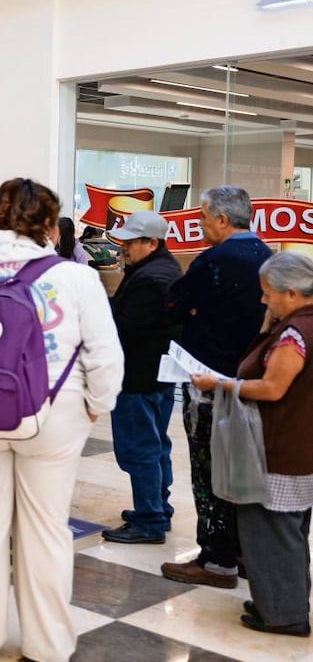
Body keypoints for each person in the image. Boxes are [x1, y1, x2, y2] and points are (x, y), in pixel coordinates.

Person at [0, 178, 123, 661]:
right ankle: (47, 644)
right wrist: (98, 404)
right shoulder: (75, 277)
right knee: (46, 527)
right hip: (55, 412)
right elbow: (106, 358)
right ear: (49, 225)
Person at [190, 251, 313, 637]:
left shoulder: (295, 334)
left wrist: (222, 385)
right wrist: (268, 324)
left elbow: (273, 387)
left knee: (271, 532)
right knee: (288, 531)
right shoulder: (298, 324)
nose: (264, 300)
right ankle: (279, 601)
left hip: (279, 448)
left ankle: (283, 615)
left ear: (292, 294)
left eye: (268, 294)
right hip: (298, 445)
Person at [162, 185, 272, 589]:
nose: (200, 224)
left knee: (208, 472)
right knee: (240, 469)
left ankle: (216, 559)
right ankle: (241, 553)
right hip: (247, 381)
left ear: (223, 220)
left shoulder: (215, 260)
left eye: (204, 218)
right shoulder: (266, 256)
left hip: (208, 380)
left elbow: (174, 302)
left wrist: (193, 309)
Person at [101, 212, 183, 544]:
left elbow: (125, 330)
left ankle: (149, 519)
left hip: (138, 377)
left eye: (130, 242)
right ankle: (158, 508)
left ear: (152, 242)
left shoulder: (151, 279)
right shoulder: (162, 269)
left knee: (141, 447)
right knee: (156, 443)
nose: (123, 248)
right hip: (156, 375)